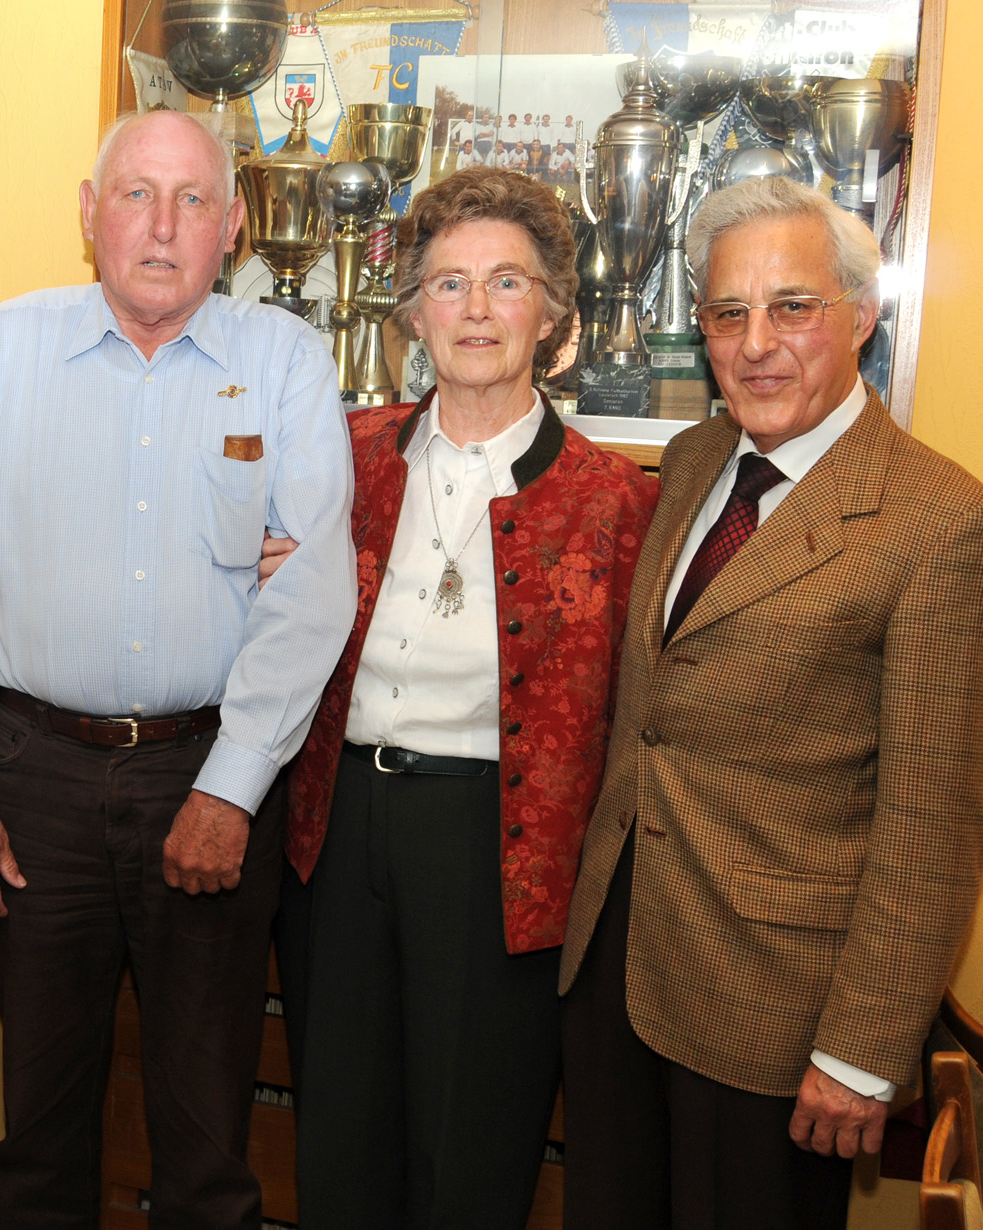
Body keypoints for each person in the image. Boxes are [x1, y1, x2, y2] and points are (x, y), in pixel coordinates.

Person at [0, 108, 355, 1228]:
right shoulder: (10, 346)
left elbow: (311, 592)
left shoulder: (285, 362)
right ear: (87, 212)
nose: (162, 227)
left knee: (205, 1137)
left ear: (233, 226)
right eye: (136, 195)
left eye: (192, 200)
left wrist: (230, 789)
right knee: (39, 1127)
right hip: (33, 778)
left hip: (205, 772)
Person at [558, 175, 983, 1228]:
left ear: (862, 315)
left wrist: (861, 1052)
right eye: (727, 313)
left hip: (777, 1021)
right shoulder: (694, 459)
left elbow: (934, 825)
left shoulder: (944, 526)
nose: (756, 343)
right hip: (617, 971)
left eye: (792, 307)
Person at [271, 166, 658, 1228]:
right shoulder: (344, 459)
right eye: (449, 284)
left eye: (506, 283)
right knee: (338, 1142)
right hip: (337, 828)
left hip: (502, 850)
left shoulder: (615, 501)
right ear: (413, 313)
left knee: (470, 1152)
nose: (476, 310)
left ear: (553, 314)